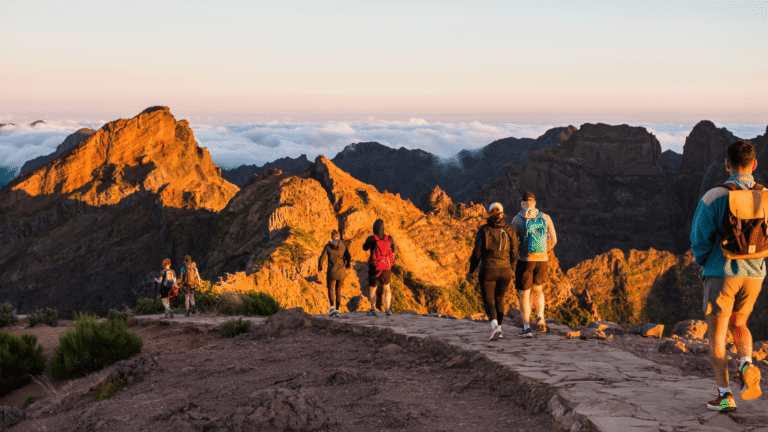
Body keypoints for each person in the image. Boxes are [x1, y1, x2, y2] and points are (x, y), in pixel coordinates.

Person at [691, 139, 764, 412]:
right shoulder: (766, 195)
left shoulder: (714, 196)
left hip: (721, 272)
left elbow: (698, 238)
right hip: (755, 273)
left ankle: (725, 395)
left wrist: (704, 262)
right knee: (740, 323)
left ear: (727, 164)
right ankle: (746, 363)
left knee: (717, 335)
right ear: (754, 165)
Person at [469, 202, 518, 341]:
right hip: (505, 270)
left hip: (488, 269)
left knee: (488, 299)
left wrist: (471, 270)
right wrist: (511, 267)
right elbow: (515, 252)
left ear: (489, 213)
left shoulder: (484, 230)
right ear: (502, 213)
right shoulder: (510, 229)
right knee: (500, 299)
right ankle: (499, 330)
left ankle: (494, 325)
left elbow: (477, 253)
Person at [512, 191, 557, 338]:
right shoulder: (545, 217)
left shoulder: (518, 219)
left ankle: (526, 327)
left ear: (522, 203)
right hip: (542, 260)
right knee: (538, 289)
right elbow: (554, 239)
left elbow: (512, 242)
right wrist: (545, 251)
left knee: (525, 294)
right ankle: (541, 319)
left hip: (525, 260)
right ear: (534, 202)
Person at [363, 219, 395, 316]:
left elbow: (364, 248)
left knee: (373, 288)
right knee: (387, 288)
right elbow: (393, 250)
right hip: (386, 267)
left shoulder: (371, 239)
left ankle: (373, 310)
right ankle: (388, 309)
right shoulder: (389, 238)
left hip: (374, 267)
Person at [318, 230, 352, 316]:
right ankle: (337, 310)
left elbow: (322, 257)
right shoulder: (343, 245)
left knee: (330, 289)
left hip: (331, 272)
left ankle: (332, 307)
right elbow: (348, 256)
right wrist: (348, 265)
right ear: (338, 236)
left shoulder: (328, 246)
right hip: (341, 272)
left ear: (331, 237)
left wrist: (320, 266)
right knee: (338, 290)